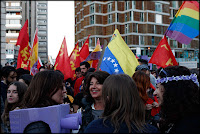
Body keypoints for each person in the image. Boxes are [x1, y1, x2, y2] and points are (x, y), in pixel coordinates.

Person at [84, 74, 159, 133]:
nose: (93, 87)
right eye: (91, 84)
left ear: (107, 97)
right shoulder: (150, 130)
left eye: (98, 83)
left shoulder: (94, 128)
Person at [153, 66, 200, 133]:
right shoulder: (176, 116)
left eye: (158, 87)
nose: (154, 93)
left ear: (172, 91)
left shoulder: (189, 126)